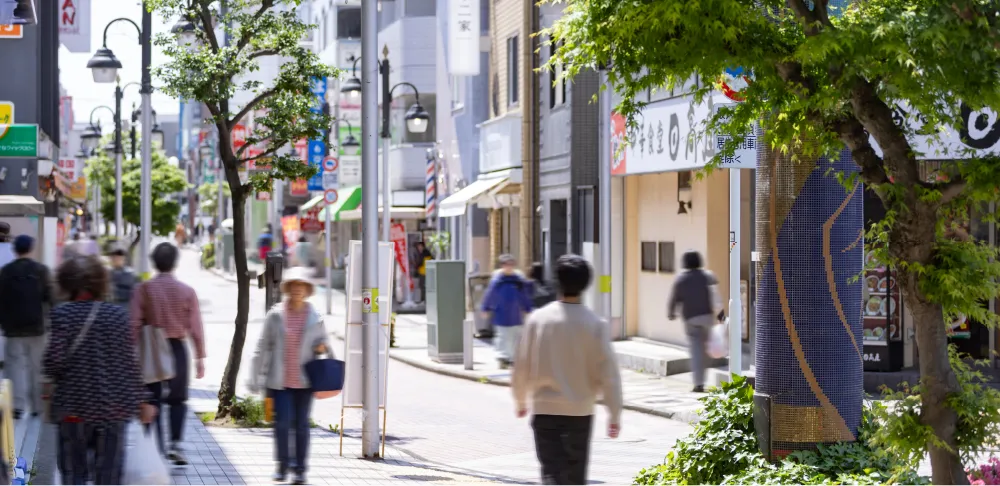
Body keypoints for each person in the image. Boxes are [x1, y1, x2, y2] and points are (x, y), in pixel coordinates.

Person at [512, 254, 623, 485]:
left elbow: (522, 365)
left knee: (551, 472)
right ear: (586, 284)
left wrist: (521, 401)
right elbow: (609, 374)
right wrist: (614, 414)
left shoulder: (537, 320)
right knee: (575, 476)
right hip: (580, 411)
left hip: (544, 408)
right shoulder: (595, 324)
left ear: (557, 281)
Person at [43, 256, 156, 485]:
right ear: (100, 283)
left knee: (74, 474)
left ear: (66, 283)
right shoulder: (118, 316)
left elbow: (53, 362)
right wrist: (142, 400)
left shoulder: (62, 315)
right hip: (112, 410)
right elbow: (129, 363)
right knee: (109, 476)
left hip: (74, 409)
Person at [249, 267, 330, 485]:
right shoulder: (275, 315)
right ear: (288, 288)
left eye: (301, 286)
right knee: (282, 424)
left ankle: (300, 469)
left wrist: (321, 348)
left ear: (307, 289)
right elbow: (262, 346)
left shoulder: (315, 317)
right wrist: (255, 376)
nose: (297, 289)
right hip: (279, 381)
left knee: (302, 425)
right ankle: (283, 465)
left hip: (305, 382)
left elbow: (324, 347)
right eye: (293, 285)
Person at [130, 242, 206, 465]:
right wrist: (200, 357)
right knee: (178, 400)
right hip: (177, 349)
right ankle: (176, 444)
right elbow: (196, 328)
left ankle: (154, 446)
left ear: (154, 262)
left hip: (151, 350)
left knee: (150, 399)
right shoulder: (187, 291)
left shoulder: (142, 289)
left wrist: (129, 355)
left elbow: (133, 324)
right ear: (175, 263)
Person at [0, 236, 54, 418]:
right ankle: (37, 407)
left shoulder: (5, 271)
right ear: (31, 248)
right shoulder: (41, 270)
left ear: (14, 250)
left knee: (14, 367)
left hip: (13, 328)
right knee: (36, 367)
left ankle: (17, 406)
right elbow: (51, 298)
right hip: (37, 328)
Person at [667, 250, 724, 393]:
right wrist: (720, 313)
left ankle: (698, 383)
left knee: (696, 350)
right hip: (707, 317)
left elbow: (674, 298)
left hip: (690, 319)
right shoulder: (708, 276)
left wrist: (671, 313)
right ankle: (701, 379)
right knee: (705, 351)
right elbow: (715, 296)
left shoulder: (680, 279)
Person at [480, 254, 533, 369]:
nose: (509, 266)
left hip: (516, 315)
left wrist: (528, 309)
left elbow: (524, 296)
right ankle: (503, 357)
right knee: (503, 336)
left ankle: (513, 359)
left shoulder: (518, 281)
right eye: (506, 264)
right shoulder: (497, 281)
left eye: (511, 264)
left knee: (515, 337)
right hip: (501, 314)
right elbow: (489, 295)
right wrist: (486, 308)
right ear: (502, 265)